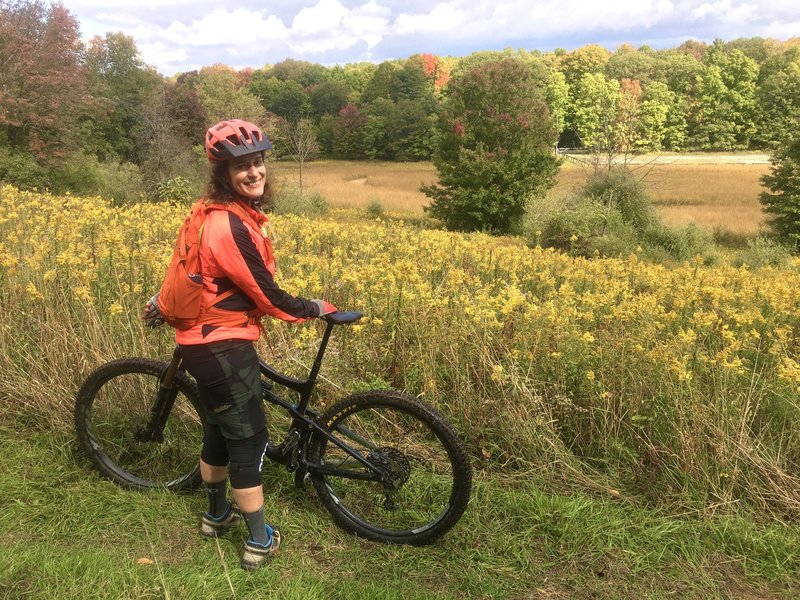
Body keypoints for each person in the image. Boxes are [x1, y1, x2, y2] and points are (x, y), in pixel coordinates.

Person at [142, 119, 336, 571]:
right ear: (223, 173)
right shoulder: (228, 226)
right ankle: (259, 541)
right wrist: (315, 308)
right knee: (249, 442)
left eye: (258, 161)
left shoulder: (206, 213)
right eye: (241, 166)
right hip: (223, 347)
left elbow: (191, 272)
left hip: (200, 344)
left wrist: (159, 300)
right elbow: (268, 295)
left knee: (218, 432)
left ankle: (215, 516)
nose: (254, 172)